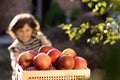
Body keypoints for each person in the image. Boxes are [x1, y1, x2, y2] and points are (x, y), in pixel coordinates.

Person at [7, 13, 52, 80]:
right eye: (20, 31)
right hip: (24, 74)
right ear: (15, 32)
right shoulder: (15, 47)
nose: (24, 34)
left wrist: (42, 38)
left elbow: (49, 49)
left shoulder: (38, 38)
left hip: (41, 71)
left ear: (32, 29)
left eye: (27, 30)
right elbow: (16, 65)